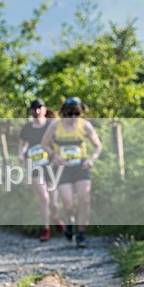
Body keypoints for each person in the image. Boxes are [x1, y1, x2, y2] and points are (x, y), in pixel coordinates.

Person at [41, 97, 102, 248]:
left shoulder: (85, 126)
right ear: (63, 113)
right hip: (62, 168)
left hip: (80, 166)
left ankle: (81, 234)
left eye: (77, 113)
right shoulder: (55, 126)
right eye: (70, 113)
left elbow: (97, 146)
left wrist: (92, 159)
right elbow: (44, 144)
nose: (73, 117)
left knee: (84, 199)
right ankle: (70, 221)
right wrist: (54, 155)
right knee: (68, 204)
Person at [18, 98, 64, 242]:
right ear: (31, 111)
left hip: (51, 166)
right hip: (35, 166)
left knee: (53, 202)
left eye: (40, 108)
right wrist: (21, 154)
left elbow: (59, 141)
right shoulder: (27, 128)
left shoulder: (52, 125)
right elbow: (22, 145)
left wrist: (58, 155)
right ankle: (46, 230)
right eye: (34, 108)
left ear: (44, 109)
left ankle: (56, 218)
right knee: (43, 198)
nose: (37, 111)